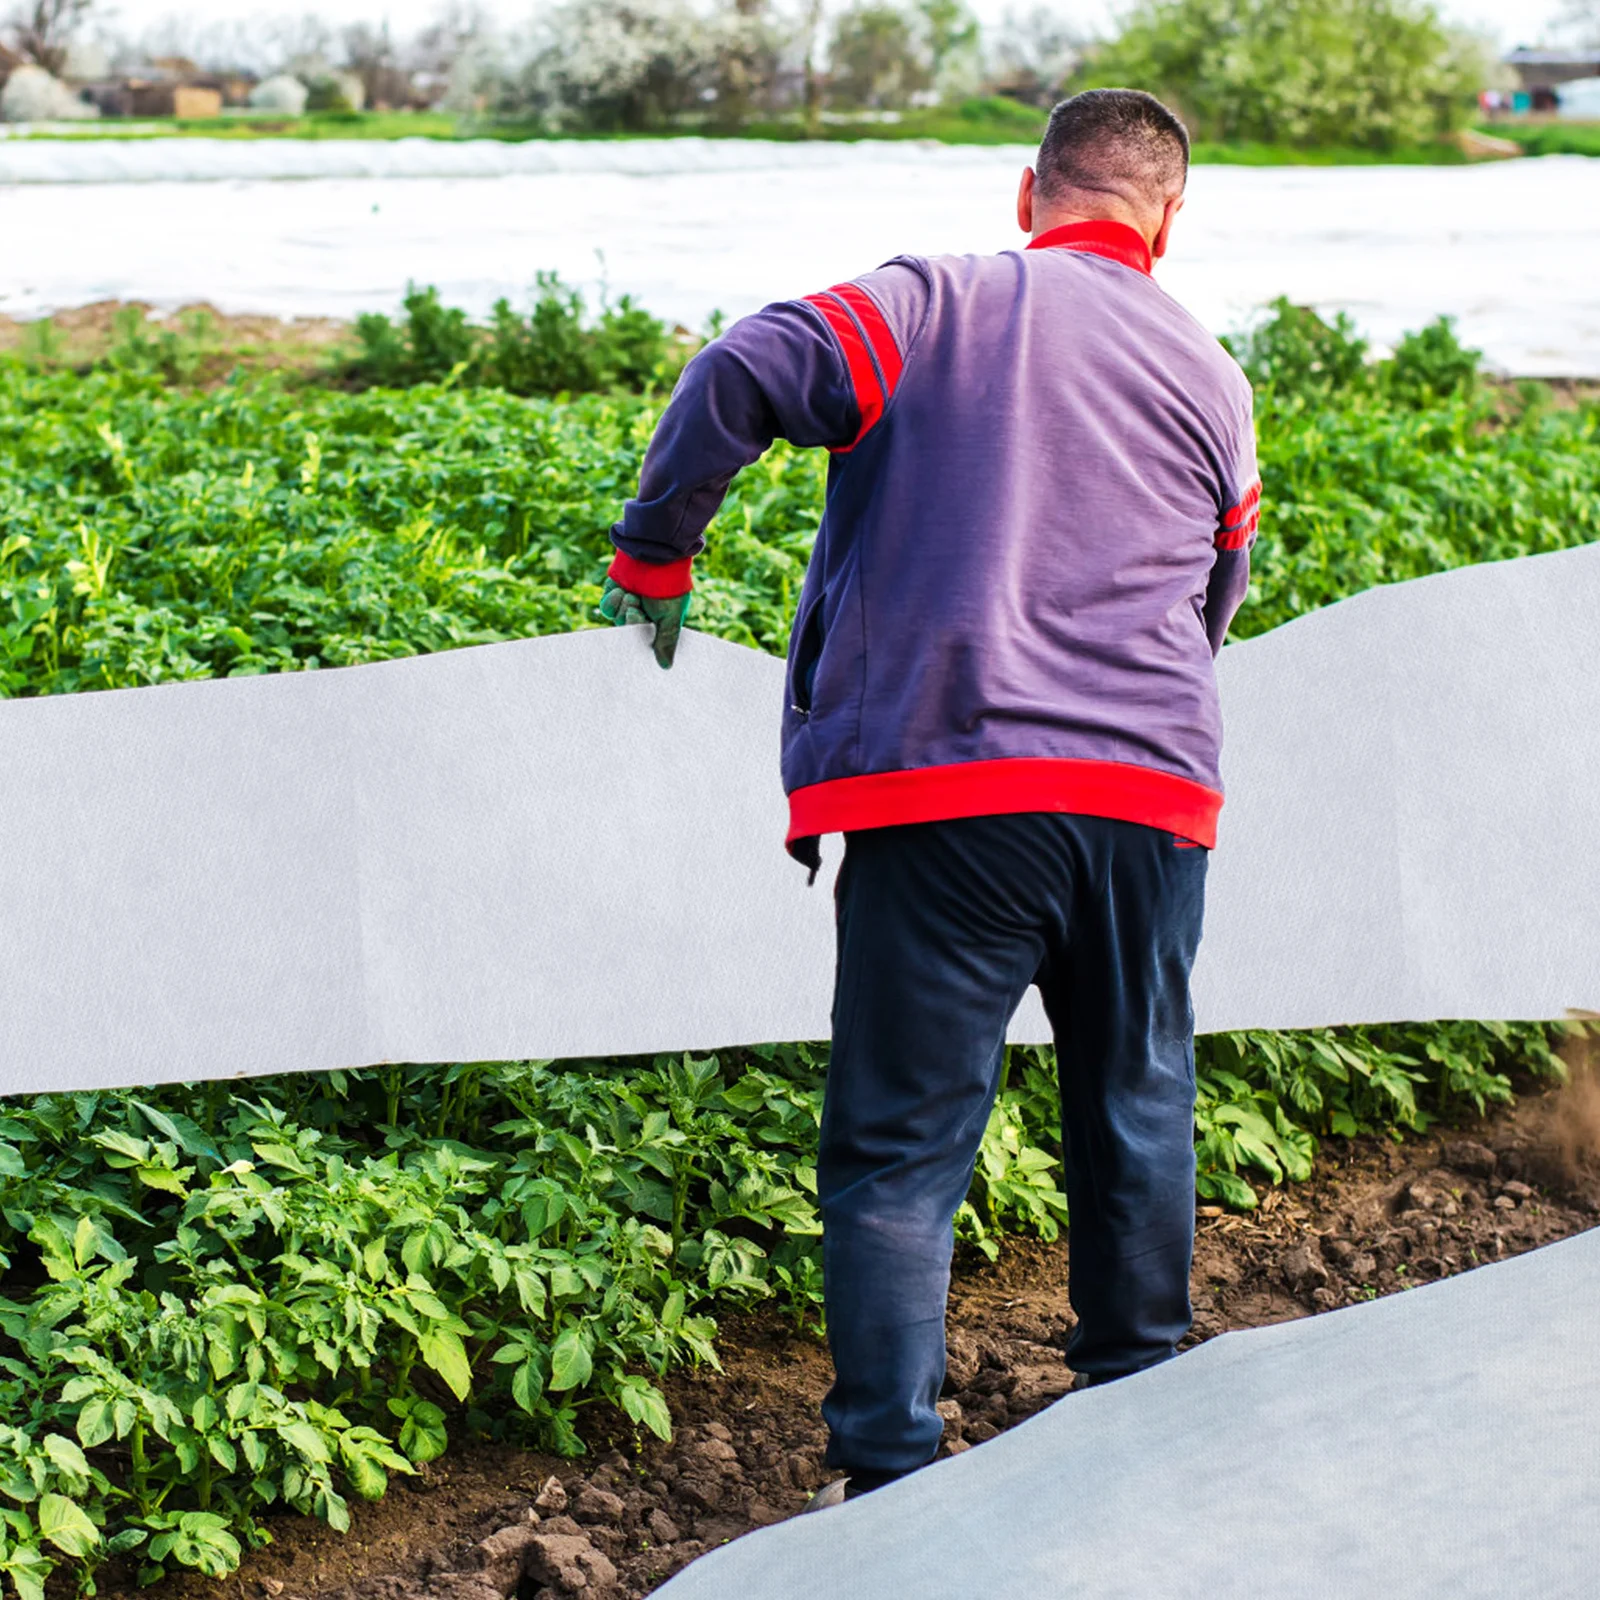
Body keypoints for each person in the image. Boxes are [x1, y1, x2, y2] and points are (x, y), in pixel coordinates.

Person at [601, 88, 1260, 1505]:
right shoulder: (1214, 374)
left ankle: (888, 1474)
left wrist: (658, 553)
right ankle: (1137, 1412)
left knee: (903, 1142)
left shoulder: (929, 305)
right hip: (1153, 796)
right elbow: (1222, 587)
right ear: (1172, 219)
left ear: (1028, 196)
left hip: (954, 788)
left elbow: (740, 371)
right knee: (1138, 1102)